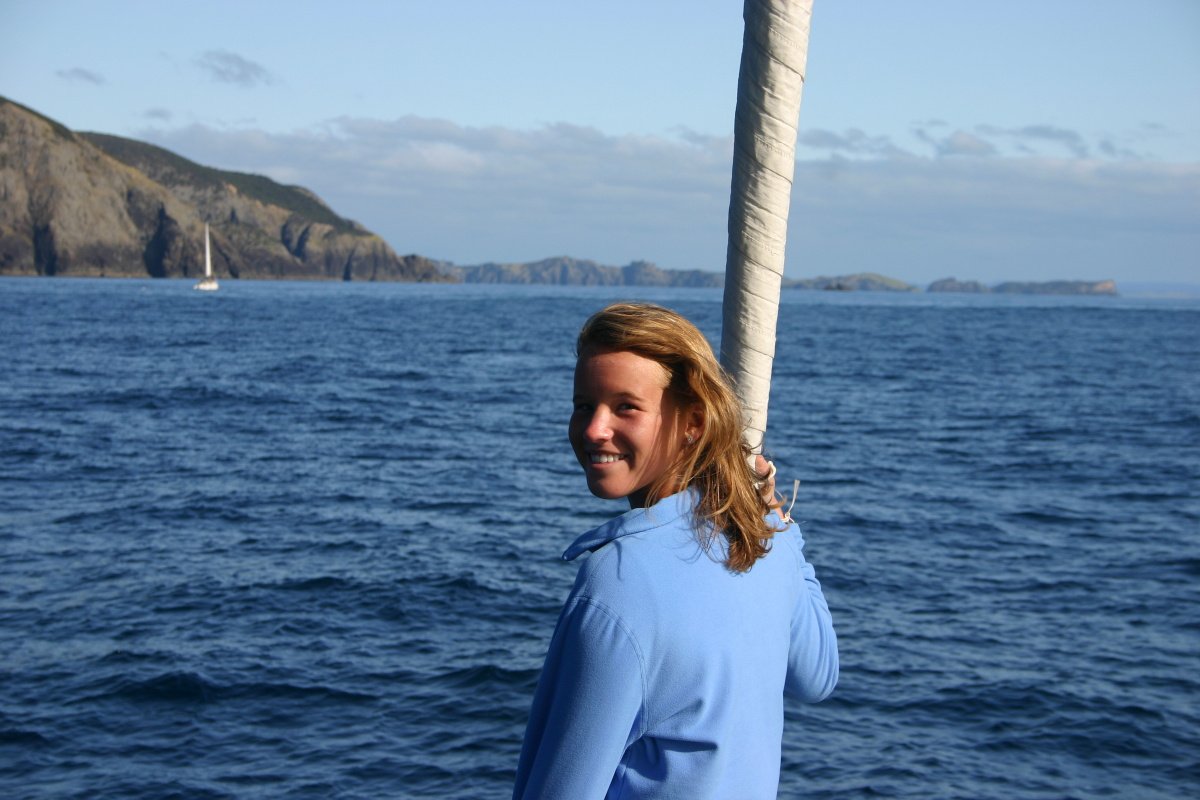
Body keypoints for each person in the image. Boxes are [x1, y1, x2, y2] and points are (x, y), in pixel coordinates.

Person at [513, 302, 838, 799]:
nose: (595, 428)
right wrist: (780, 522)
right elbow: (818, 677)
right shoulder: (762, 537)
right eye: (584, 405)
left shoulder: (619, 582)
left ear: (693, 421)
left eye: (626, 406)